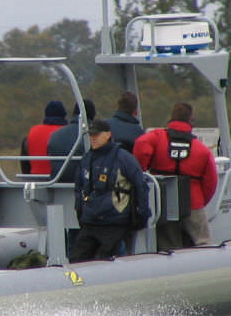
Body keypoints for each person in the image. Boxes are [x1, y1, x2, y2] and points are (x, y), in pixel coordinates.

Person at [133, 102, 218, 249]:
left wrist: (142, 168)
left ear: (172, 118)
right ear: (190, 120)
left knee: (169, 246)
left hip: (164, 200)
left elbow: (141, 145)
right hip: (194, 201)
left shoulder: (156, 138)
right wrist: (200, 201)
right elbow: (211, 181)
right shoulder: (202, 150)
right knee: (203, 242)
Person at [69, 119, 151, 262]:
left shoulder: (124, 158)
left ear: (108, 135)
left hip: (114, 221)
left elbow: (140, 186)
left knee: (105, 260)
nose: (92, 138)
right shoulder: (87, 159)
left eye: (96, 135)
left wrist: (140, 215)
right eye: (91, 135)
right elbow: (79, 187)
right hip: (90, 221)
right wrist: (81, 211)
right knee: (76, 260)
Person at [46, 98, 96, 182]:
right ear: (93, 115)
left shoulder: (54, 135)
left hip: (57, 183)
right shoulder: (95, 136)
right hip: (85, 185)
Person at [20, 99, 67, 175]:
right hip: (60, 179)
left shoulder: (33, 131)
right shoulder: (66, 132)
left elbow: (25, 165)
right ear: (63, 115)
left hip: (35, 179)